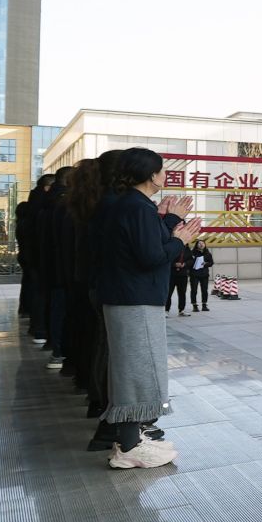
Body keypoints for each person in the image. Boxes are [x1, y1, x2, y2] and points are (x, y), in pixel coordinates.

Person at [91, 149, 198, 469]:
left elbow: (144, 246)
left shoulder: (127, 204)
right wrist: (180, 239)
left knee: (134, 368)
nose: (164, 176)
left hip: (128, 297)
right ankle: (129, 445)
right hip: (135, 299)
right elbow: (151, 257)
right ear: (151, 175)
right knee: (139, 368)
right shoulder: (135, 207)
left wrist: (168, 224)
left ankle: (132, 435)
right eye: (162, 171)